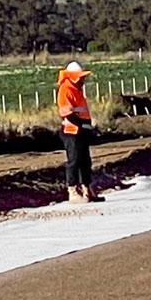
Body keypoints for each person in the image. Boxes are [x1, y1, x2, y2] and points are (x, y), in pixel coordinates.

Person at [56, 62, 97, 204]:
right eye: (80, 77)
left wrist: (88, 126)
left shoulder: (76, 89)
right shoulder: (66, 89)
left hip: (81, 131)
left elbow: (82, 111)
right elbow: (68, 114)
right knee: (73, 161)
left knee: (85, 161)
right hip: (71, 131)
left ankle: (87, 189)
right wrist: (83, 125)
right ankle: (73, 191)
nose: (83, 80)